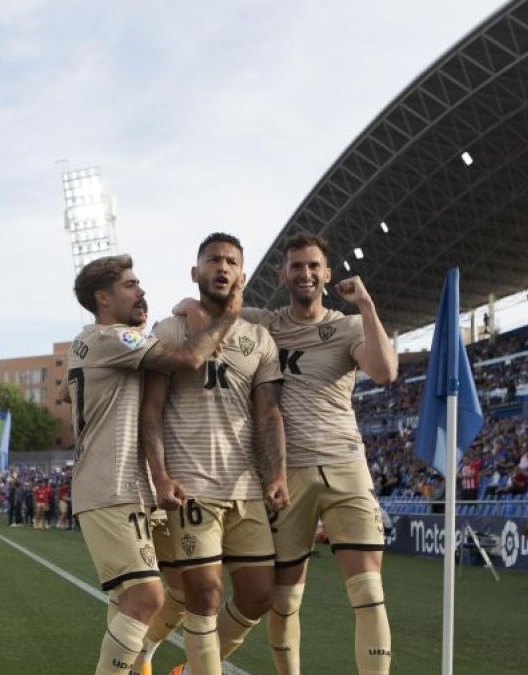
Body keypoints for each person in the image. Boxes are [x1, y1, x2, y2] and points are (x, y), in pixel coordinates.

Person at [176, 232, 396, 675]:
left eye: (314, 266)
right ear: (282, 276)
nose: (306, 274)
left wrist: (367, 306)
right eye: (297, 266)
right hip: (286, 475)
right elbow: (196, 309)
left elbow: (386, 371)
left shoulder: (349, 326)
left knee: (368, 591)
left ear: (327, 274)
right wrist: (192, 306)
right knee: (284, 599)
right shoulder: (264, 323)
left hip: (345, 465)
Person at [66, 253, 239, 675]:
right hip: (110, 486)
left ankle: (139, 660)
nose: (141, 290)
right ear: (103, 298)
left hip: (131, 487)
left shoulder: (105, 340)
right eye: (130, 285)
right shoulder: (112, 339)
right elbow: (188, 359)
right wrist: (227, 313)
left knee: (174, 590)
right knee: (147, 596)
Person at [142, 232, 290, 675]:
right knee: (203, 594)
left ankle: (177, 665)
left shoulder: (260, 339)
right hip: (191, 488)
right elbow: (150, 412)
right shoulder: (170, 329)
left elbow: (268, 415)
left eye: (230, 262)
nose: (221, 267)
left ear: (242, 275)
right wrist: (161, 475)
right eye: (212, 260)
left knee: (260, 595)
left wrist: (277, 474)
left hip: (245, 488)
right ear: (196, 272)